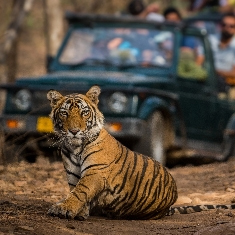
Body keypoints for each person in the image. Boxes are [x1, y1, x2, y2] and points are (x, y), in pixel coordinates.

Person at [210, 13, 235, 85]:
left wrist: (215, 72)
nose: (227, 28)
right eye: (224, 25)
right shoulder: (210, 39)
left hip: (228, 84)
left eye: (231, 26)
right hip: (206, 80)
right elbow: (199, 62)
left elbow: (233, 73)